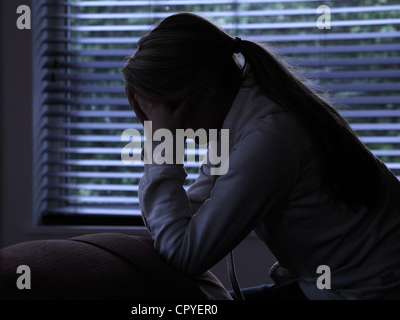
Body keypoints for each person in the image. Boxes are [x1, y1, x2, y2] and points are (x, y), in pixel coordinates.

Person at [121, 12, 400, 300]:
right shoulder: (248, 115)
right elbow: (190, 218)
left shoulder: (268, 138)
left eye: (163, 112)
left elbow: (184, 255)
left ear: (206, 87)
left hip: (366, 292)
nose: (162, 126)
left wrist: (163, 147)